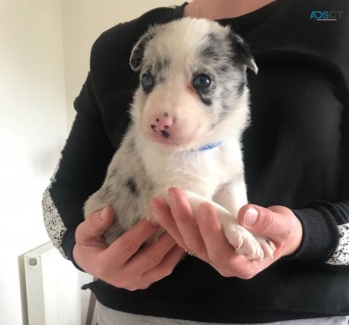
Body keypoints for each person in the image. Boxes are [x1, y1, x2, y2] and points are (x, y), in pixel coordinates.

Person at [42, 0, 349, 324]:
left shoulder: (337, 20)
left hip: (298, 312)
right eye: (149, 81)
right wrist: (77, 248)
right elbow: (62, 192)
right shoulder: (119, 45)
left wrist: (304, 233)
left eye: (202, 82)